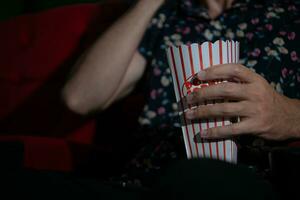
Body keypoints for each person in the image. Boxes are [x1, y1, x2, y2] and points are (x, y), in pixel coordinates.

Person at [62, 0, 300, 194]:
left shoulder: (290, 14)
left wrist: (289, 114)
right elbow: (80, 98)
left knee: (200, 177)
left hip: (239, 180)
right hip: (140, 180)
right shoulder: (169, 14)